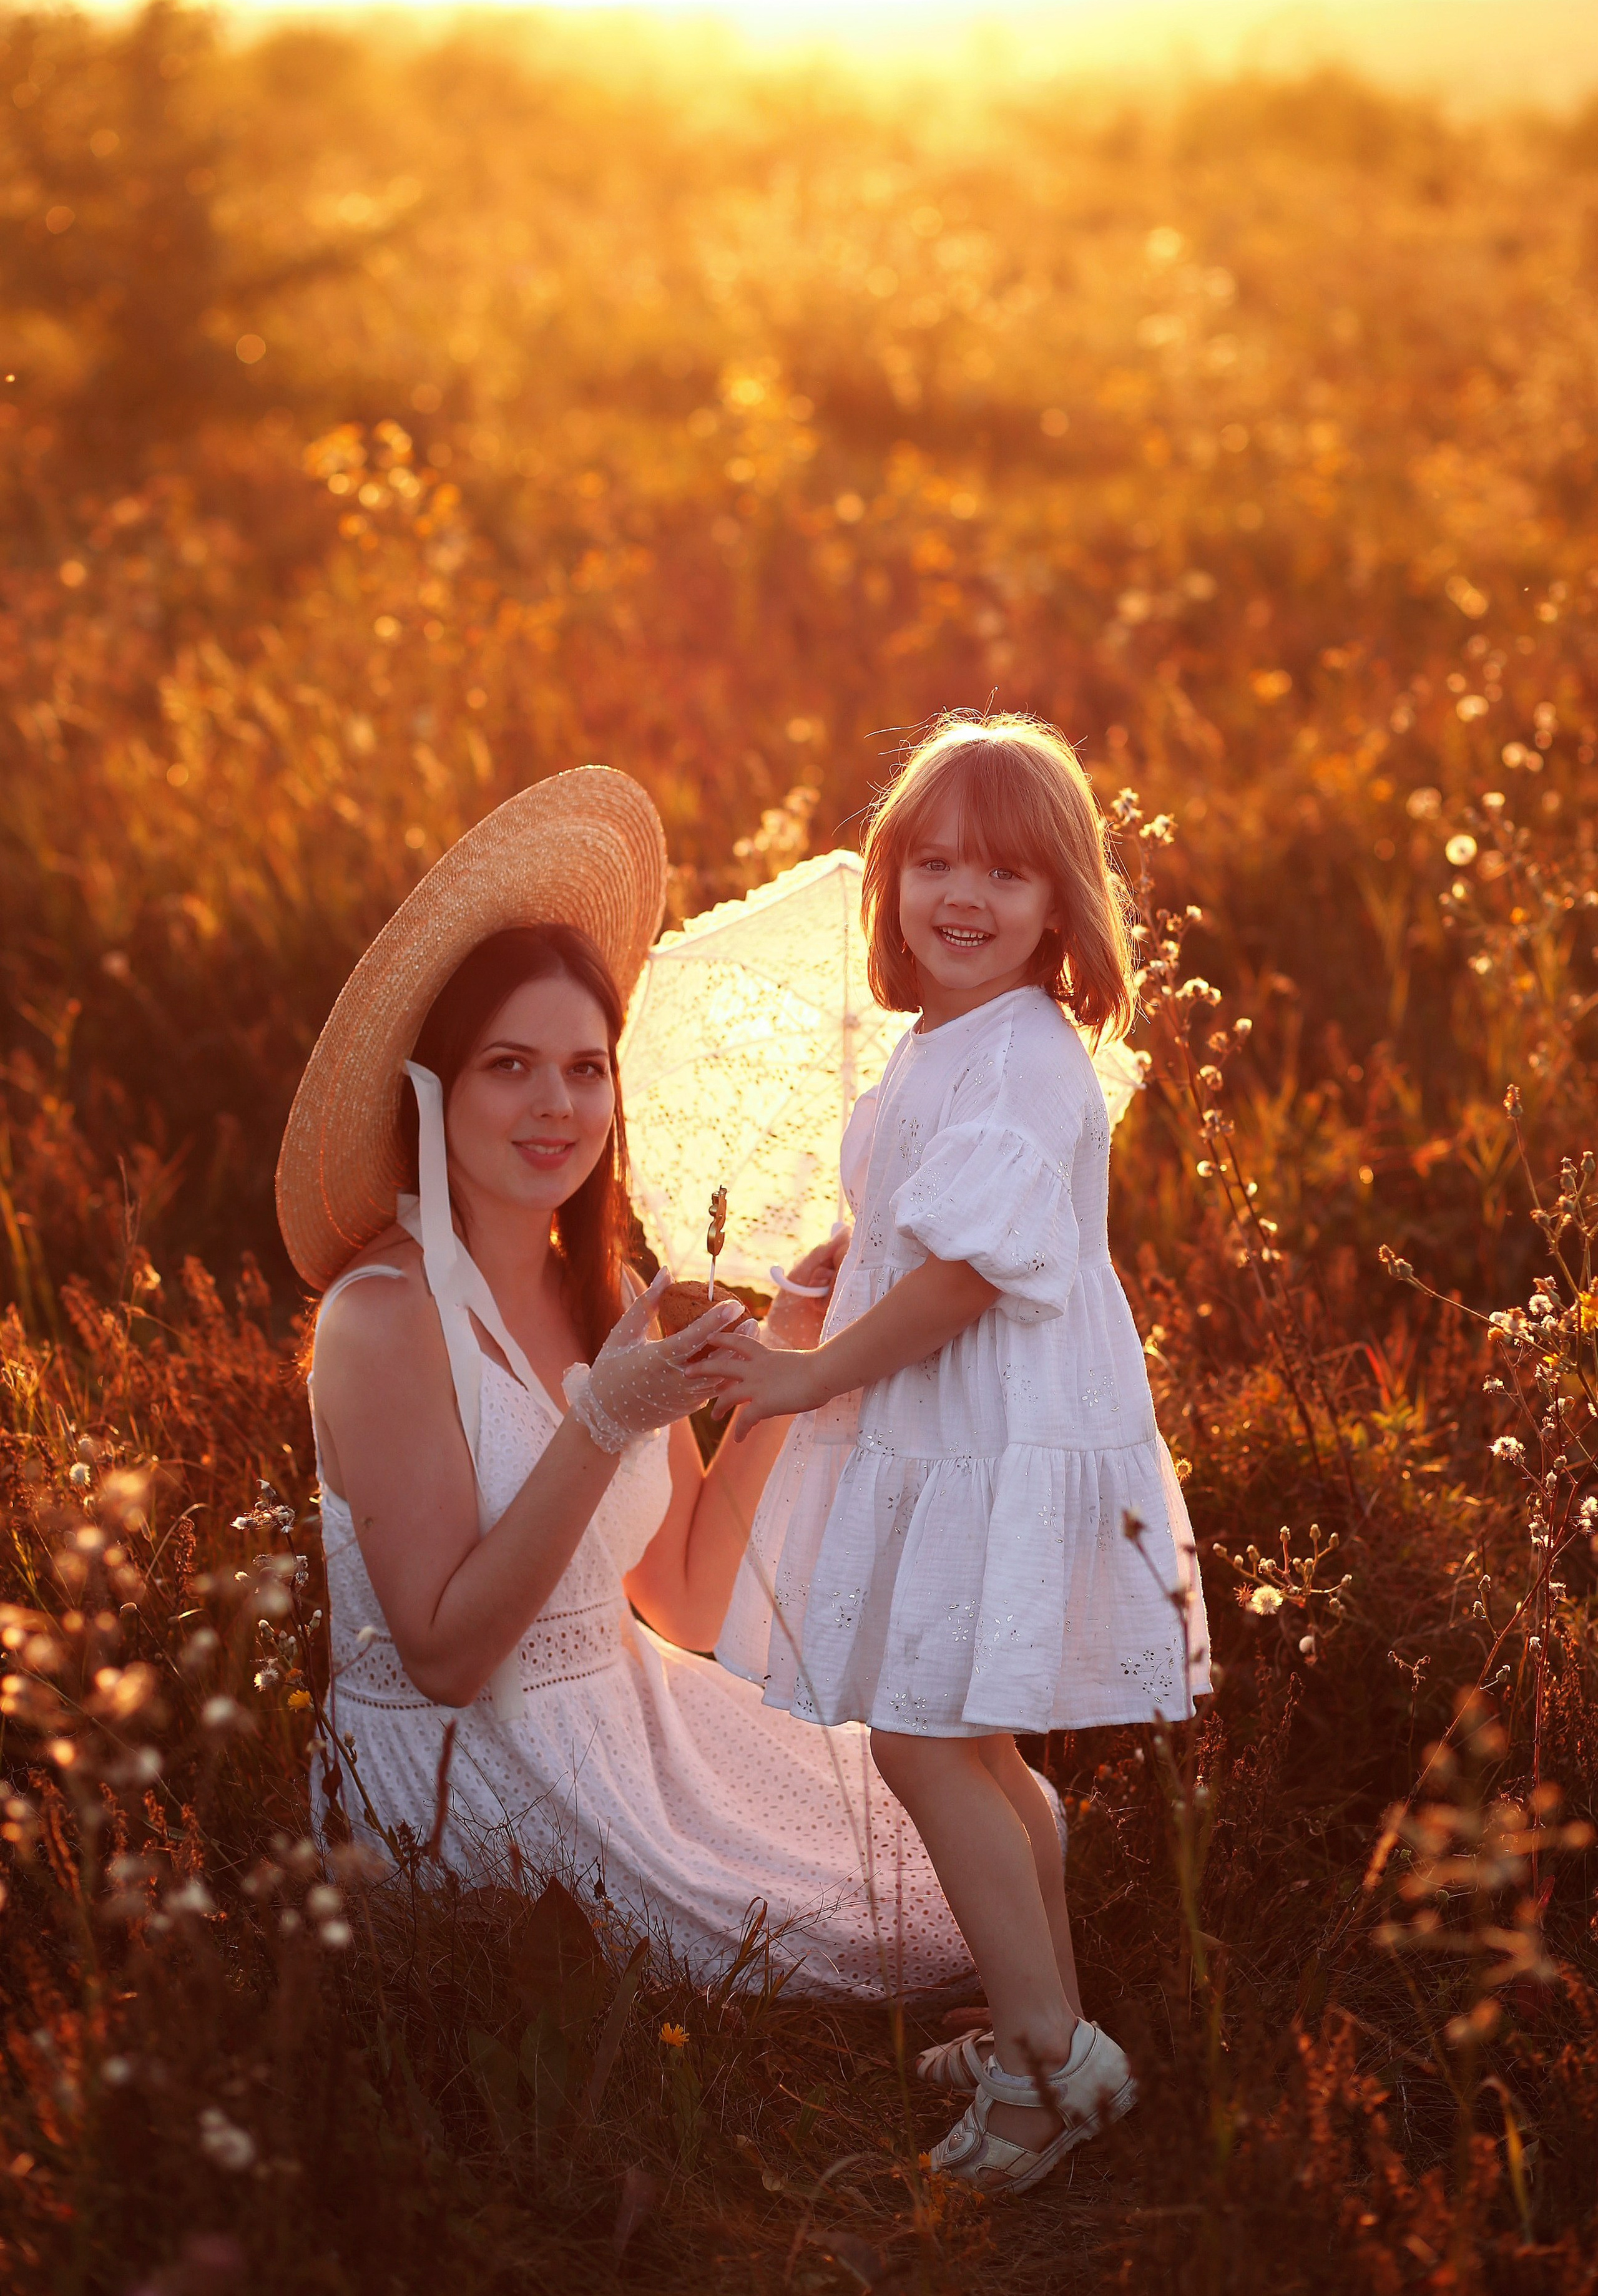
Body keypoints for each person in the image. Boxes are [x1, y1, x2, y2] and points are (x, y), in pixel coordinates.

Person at [274, 766, 976, 2000]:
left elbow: (692, 1599)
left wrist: (796, 1349)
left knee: (974, 1850)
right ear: (430, 1091)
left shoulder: (596, 1285)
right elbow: (444, 1658)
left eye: (586, 1068)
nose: (557, 1106)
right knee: (895, 1930)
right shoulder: (380, 1323)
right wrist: (601, 1419)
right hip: (462, 1768)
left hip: (627, 1718)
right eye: (509, 1066)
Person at [708, 715, 1213, 2191]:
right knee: (973, 1735)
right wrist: (855, 1247)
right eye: (933, 862)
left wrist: (808, 1371)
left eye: (1004, 870)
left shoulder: (1016, 1057)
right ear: (889, 884)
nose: (963, 896)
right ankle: (1032, 2023)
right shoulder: (954, 1041)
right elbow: (925, 1233)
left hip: (981, 1434)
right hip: (961, 1428)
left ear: (1061, 904)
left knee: (926, 1734)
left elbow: (964, 1281)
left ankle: (1050, 2070)